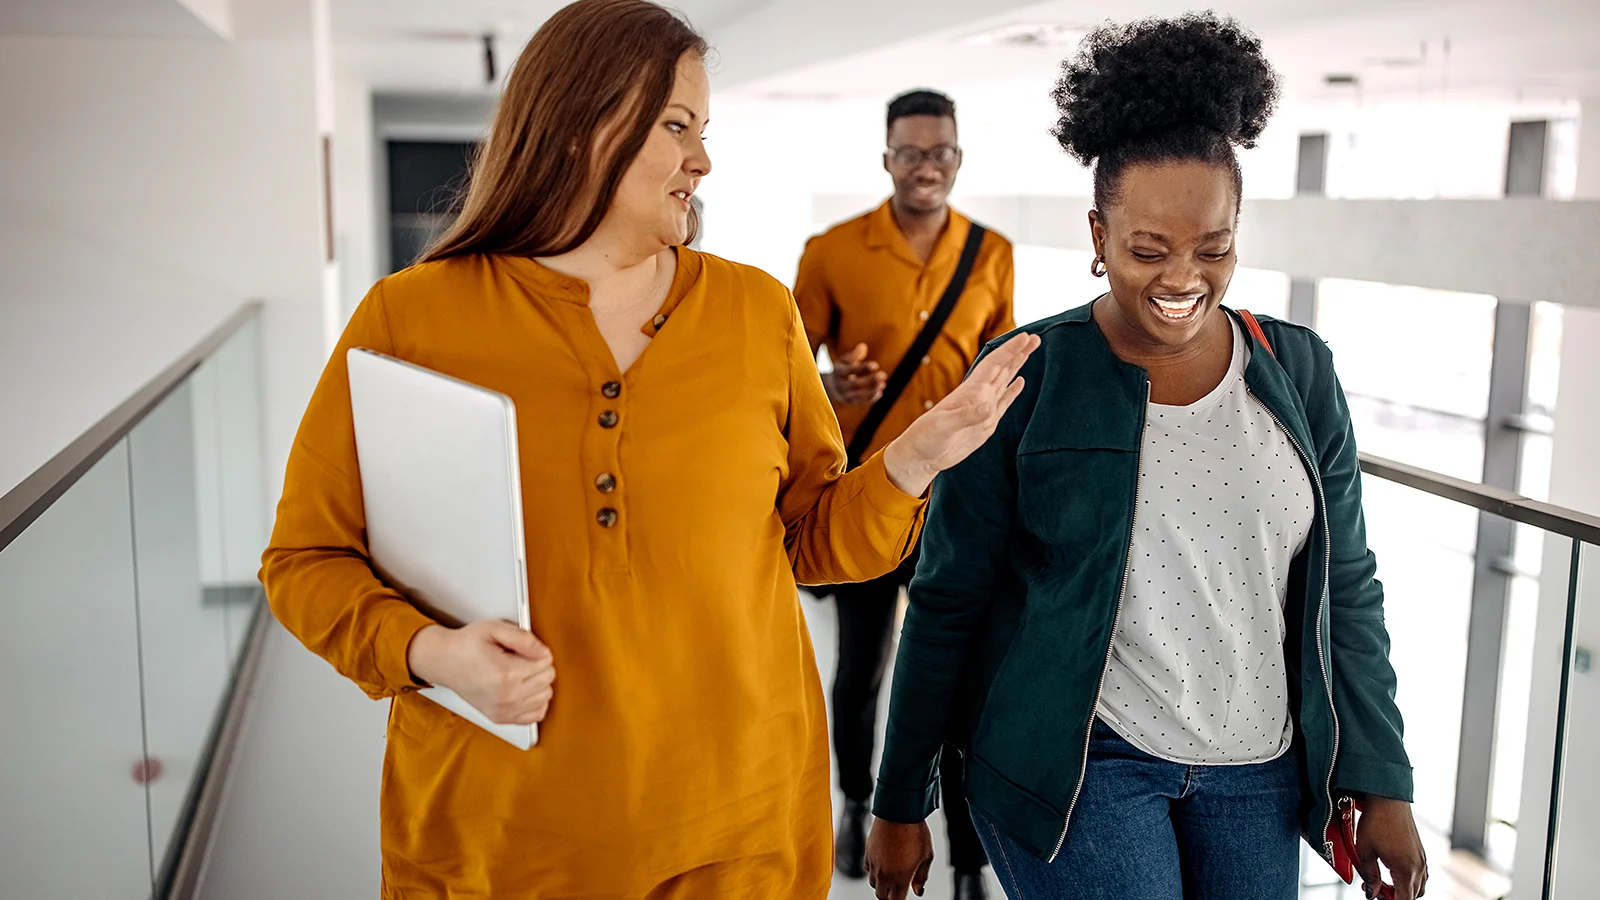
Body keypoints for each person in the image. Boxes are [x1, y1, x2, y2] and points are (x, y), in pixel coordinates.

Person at [259, 1, 1038, 897]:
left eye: (703, 130)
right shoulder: (410, 318)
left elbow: (814, 540)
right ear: (580, 124)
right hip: (500, 839)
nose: (702, 160)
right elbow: (304, 560)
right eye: (677, 127)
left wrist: (910, 461)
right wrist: (432, 653)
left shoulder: (754, 313)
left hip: (740, 826)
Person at [863, 13, 1429, 900]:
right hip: (1080, 766)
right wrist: (900, 801)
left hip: (1261, 765)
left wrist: (1382, 776)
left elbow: (1345, 584)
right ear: (1097, 235)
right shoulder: (1028, 375)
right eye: (1146, 250)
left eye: (1215, 247)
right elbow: (949, 596)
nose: (1182, 279)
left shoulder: (1300, 371)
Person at [794, 88, 1013, 898]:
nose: (929, 167)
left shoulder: (990, 252)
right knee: (864, 670)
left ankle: (966, 858)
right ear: (886, 159)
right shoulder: (831, 251)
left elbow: (1002, 373)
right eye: (912, 152)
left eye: (942, 152)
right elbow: (782, 382)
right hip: (865, 500)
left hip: (958, 508)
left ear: (959, 158)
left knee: (958, 674)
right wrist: (829, 380)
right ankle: (857, 801)